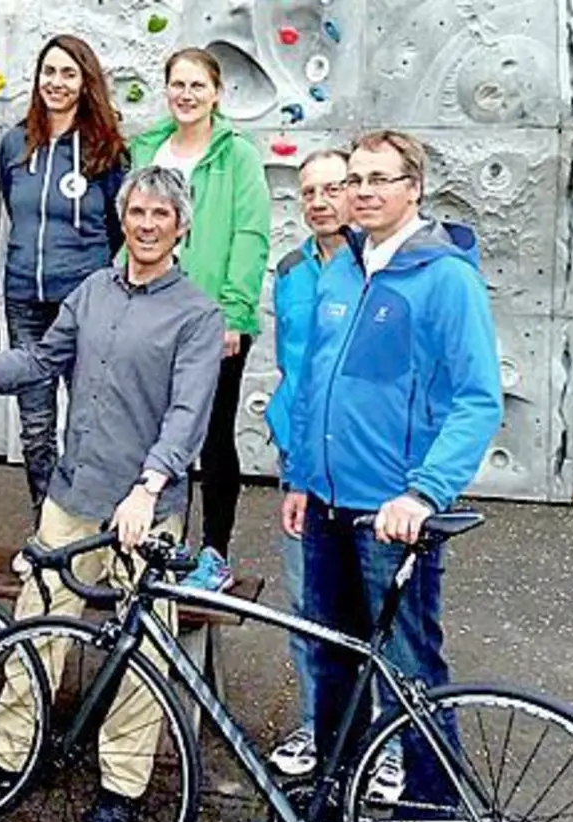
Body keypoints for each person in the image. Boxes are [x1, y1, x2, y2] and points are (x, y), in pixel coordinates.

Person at [0, 166, 224, 822]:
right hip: (73, 494)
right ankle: (7, 753)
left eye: (161, 215)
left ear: (181, 226)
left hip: (144, 510)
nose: (147, 225)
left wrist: (149, 487)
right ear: (121, 220)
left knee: (143, 646)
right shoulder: (93, 290)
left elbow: (188, 415)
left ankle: (122, 781)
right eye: (137, 212)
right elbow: (42, 361)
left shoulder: (198, 314)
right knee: (37, 622)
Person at [280, 130, 502, 822]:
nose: (363, 192)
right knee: (334, 662)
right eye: (355, 180)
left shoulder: (443, 279)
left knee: (410, 676)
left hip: (392, 515)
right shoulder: (344, 270)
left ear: (415, 187)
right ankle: (332, 809)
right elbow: (316, 385)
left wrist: (425, 491)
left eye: (380, 179)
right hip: (329, 506)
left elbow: (478, 399)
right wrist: (302, 477)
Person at [128, 47, 271, 592]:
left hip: (213, 314)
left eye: (197, 85)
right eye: (177, 85)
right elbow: (131, 225)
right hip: (152, 306)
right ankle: (164, 538)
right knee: (159, 430)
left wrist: (233, 313)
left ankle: (214, 551)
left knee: (211, 435)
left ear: (216, 93)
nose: (186, 95)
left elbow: (250, 237)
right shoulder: (148, 147)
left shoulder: (238, 156)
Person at [0, 34, 128, 532]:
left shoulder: (106, 148)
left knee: (88, 422)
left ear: (85, 81)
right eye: (48, 72)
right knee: (35, 427)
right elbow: (16, 211)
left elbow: (118, 226)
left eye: (68, 73)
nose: (56, 82)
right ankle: (45, 532)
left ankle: (89, 526)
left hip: (84, 302)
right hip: (24, 299)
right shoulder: (14, 143)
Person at [264, 148, 352, 779]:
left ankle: (388, 745)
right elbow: (291, 364)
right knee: (307, 605)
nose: (319, 202)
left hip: (365, 461)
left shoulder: (378, 264)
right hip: (301, 460)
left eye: (332, 188)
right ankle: (315, 727)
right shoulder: (292, 269)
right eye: (309, 192)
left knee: (372, 614)